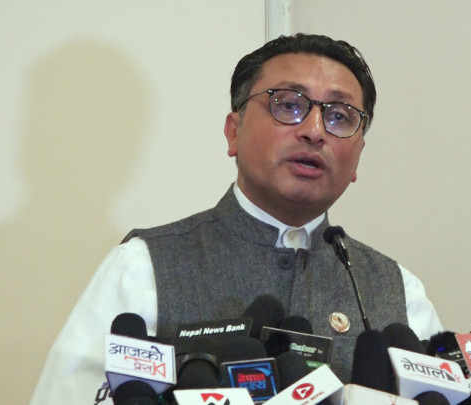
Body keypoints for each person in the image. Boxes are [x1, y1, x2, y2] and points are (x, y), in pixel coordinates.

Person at [30, 33, 443, 404]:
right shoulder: (142, 267)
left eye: (339, 116)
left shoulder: (400, 293)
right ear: (233, 131)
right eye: (289, 105)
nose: (315, 131)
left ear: (358, 157)